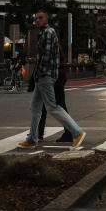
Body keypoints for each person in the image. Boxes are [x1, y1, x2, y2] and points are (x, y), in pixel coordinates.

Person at [18, 10, 85, 150]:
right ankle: (32, 139)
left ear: (46, 20)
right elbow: (43, 56)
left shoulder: (48, 32)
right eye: (36, 18)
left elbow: (47, 57)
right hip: (41, 76)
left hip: (45, 76)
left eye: (40, 18)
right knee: (35, 108)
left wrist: (40, 73)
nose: (37, 20)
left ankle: (77, 132)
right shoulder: (43, 33)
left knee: (52, 106)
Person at [36, 42, 71, 142]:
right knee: (47, 106)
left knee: (54, 106)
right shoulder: (55, 46)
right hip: (57, 78)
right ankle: (39, 133)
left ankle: (70, 132)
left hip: (54, 79)